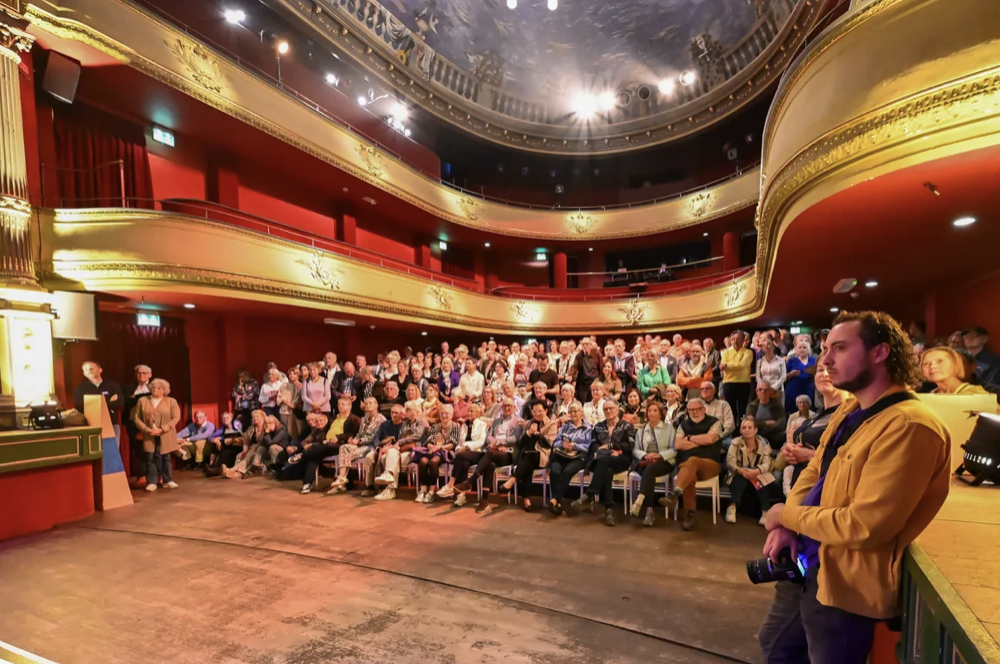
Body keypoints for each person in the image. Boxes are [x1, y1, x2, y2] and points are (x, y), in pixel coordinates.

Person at [758, 311, 950, 664]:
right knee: (776, 647)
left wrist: (784, 513)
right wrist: (788, 525)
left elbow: (864, 526)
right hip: (808, 561)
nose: (826, 359)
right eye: (826, 348)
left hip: (844, 585)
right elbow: (814, 471)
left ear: (880, 353)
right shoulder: (850, 410)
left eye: (840, 348)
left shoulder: (910, 426)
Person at [779, 364, 847, 496]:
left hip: (826, 490)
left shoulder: (850, 414)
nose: (824, 374)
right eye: (820, 370)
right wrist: (790, 450)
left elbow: (850, 459)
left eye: (831, 369)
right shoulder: (817, 415)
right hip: (801, 485)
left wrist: (809, 455)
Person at [661, 398, 723, 531]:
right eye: (691, 410)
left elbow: (710, 438)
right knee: (689, 473)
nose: (695, 412)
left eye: (698, 409)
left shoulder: (715, 422)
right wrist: (702, 440)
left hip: (710, 464)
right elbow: (678, 444)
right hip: (688, 467)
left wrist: (689, 438)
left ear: (704, 409)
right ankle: (690, 514)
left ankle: (675, 494)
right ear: (687, 411)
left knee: (693, 460)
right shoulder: (683, 425)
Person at [574, 402, 634, 526]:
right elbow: (594, 444)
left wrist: (613, 447)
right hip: (603, 459)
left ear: (617, 410)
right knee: (606, 469)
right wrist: (602, 451)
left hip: (621, 458)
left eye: (611, 408)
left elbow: (630, 446)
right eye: (605, 409)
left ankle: (590, 493)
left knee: (603, 461)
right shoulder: (598, 426)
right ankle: (609, 510)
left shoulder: (627, 426)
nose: (608, 411)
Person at [455, 397, 522, 508]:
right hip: (494, 451)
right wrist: (495, 444)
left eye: (509, 405)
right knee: (490, 464)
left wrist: (499, 443)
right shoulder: (496, 421)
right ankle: (484, 500)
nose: (507, 408)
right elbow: (488, 437)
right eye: (504, 406)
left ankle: (471, 481)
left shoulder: (518, 421)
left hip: (508, 453)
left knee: (489, 454)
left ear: (515, 407)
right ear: (501, 408)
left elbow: (515, 438)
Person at [501, 401, 558, 512]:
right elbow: (520, 443)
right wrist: (528, 433)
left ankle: (513, 480)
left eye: (540, 411)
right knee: (527, 463)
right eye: (535, 411)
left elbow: (549, 443)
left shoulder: (551, 424)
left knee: (528, 459)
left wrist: (537, 433)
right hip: (527, 457)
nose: (537, 414)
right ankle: (526, 500)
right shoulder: (528, 423)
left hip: (542, 455)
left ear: (546, 411)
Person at [628, 401, 676, 526]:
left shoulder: (669, 428)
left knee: (650, 469)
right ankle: (648, 509)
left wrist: (660, 455)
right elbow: (635, 449)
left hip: (664, 461)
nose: (652, 413)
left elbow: (674, 449)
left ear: (661, 413)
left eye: (655, 411)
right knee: (649, 470)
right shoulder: (642, 430)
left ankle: (641, 501)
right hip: (645, 461)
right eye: (649, 411)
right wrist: (645, 455)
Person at [725, 417, 780, 525]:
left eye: (750, 427)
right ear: (740, 430)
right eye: (744, 428)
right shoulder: (735, 443)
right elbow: (730, 463)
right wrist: (742, 471)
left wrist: (756, 471)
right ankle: (732, 507)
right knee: (739, 479)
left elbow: (767, 463)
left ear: (755, 430)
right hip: (738, 474)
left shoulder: (764, 444)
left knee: (760, 480)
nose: (746, 430)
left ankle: (765, 512)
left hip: (756, 474)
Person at [369, 402, 429, 501]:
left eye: (409, 410)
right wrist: (395, 444)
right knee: (385, 457)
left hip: (415, 450)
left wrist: (399, 443)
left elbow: (417, 436)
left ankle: (390, 488)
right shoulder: (406, 423)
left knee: (392, 455)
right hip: (403, 448)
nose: (406, 412)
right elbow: (400, 436)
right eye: (407, 410)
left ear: (416, 411)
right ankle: (389, 487)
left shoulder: (422, 421)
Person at [328, 396, 386, 493]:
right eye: (366, 403)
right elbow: (359, 433)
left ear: (376, 405)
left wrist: (359, 441)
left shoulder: (381, 419)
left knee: (347, 454)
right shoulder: (364, 419)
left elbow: (375, 437)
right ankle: (341, 479)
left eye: (370, 403)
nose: (367, 405)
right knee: (344, 447)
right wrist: (354, 439)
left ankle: (344, 483)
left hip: (371, 446)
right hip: (361, 444)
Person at [437, 402, 489, 510]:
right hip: (464, 454)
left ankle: (450, 485)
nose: (469, 413)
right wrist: (458, 449)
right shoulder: (464, 425)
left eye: (472, 411)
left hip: (478, 453)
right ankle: (462, 495)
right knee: (463, 463)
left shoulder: (482, 424)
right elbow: (460, 442)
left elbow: (482, 441)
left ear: (478, 413)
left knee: (460, 457)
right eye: (468, 411)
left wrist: (466, 447)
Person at [132, 378, 180, 492]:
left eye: (159, 388)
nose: (155, 389)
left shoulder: (171, 401)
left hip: (166, 434)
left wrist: (162, 429)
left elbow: (176, 418)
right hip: (149, 434)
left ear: (164, 390)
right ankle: (152, 482)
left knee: (166, 457)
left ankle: (168, 480)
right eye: (153, 387)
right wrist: (146, 429)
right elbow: (136, 418)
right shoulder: (142, 401)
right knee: (150, 457)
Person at [546, 402, 592, 516]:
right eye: (570, 411)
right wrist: (562, 444)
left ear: (581, 412)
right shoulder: (565, 426)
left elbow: (588, 447)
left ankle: (554, 500)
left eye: (575, 411)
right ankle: (558, 504)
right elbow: (555, 443)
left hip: (578, 457)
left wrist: (574, 446)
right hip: (562, 455)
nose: (573, 413)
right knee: (554, 471)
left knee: (567, 472)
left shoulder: (588, 428)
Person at [353, 404, 404, 497]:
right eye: (392, 412)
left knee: (385, 458)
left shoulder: (403, 426)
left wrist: (388, 447)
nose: (394, 415)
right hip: (380, 447)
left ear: (401, 414)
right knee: (368, 457)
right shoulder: (384, 424)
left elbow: (401, 440)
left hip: (393, 449)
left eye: (396, 413)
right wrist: (377, 447)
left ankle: (386, 488)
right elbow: (376, 438)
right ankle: (370, 487)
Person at [413, 403, 460, 502]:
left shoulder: (455, 426)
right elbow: (429, 440)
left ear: (451, 415)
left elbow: (453, 443)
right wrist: (430, 445)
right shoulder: (435, 427)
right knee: (423, 461)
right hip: (432, 450)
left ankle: (431, 491)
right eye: (442, 413)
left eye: (447, 413)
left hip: (445, 452)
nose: (444, 416)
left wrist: (439, 447)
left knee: (433, 462)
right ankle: (423, 490)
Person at [123, 364, 153, 480]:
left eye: (144, 373)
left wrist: (135, 398)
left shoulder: (155, 387)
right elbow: (126, 403)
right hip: (133, 422)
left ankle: (156, 475)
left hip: (151, 423)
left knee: (154, 449)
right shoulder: (128, 388)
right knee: (138, 449)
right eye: (139, 373)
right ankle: (141, 476)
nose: (141, 375)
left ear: (150, 375)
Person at [922, 346, 990, 395]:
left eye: (940, 361)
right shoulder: (930, 395)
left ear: (956, 365)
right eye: (925, 363)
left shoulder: (976, 394)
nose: (932, 366)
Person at [75, 361, 124, 425]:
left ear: (100, 370)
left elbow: (119, 404)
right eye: (86, 370)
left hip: (111, 422)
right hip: (90, 423)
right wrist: (108, 402)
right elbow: (80, 408)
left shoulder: (113, 386)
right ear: (84, 373)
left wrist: (93, 404)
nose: (89, 371)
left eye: (91, 368)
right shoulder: (80, 389)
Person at [721, 330, 754, 419]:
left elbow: (742, 365)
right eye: (733, 339)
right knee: (730, 409)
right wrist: (735, 364)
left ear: (744, 340)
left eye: (738, 339)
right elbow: (722, 366)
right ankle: (732, 429)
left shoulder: (748, 352)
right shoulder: (726, 352)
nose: (735, 341)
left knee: (742, 408)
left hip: (743, 383)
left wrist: (728, 365)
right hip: (728, 383)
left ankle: (742, 428)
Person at [784, 340, 816, 413]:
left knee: (808, 412)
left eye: (804, 347)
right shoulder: (791, 361)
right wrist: (791, 374)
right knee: (793, 413)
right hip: (793, 391)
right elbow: (783, 377)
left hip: (808, 390)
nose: (802, 349)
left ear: (808, 350)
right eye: (800, 347)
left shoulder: (814, 360)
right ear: (796, 350)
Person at [569, 337, 602, 403]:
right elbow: (574, 366)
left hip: (594, 381)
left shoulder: (597, 354)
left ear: (590, 345)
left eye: (587, 344)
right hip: (583, 383)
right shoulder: (579, 356)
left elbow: (601, 367)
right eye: (583, 344)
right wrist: (571, 375)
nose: (585, 346)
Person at [757, 338, 786, 402]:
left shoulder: (781, 360)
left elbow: (783, 377)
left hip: (778, 390)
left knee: (778, 411)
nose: (766, 346)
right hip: (763, 391)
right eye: (764, 345)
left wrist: (773, 388)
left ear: (773, 347)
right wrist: (764, 388)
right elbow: (758, 377)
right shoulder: (760, 361)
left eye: (768, 344)